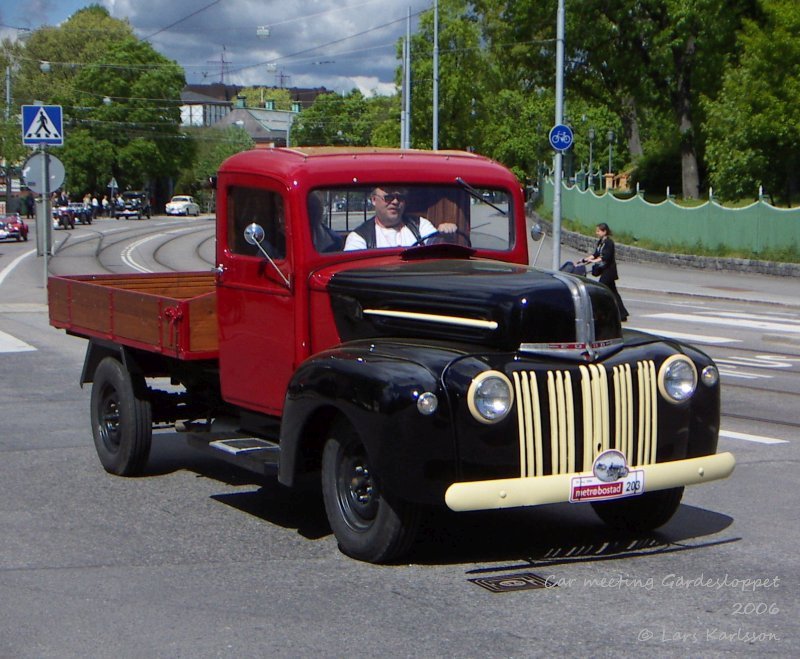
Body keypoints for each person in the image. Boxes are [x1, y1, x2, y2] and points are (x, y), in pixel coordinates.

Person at [343, 187, 457, 251]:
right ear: (373, 200)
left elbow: (435, 246)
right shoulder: (359, 238)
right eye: (388, 197)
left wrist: (445, 234)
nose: (395, 202)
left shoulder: (420, 225)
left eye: (400, 198)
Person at [583, 222, 629, 322]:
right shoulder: (600, 242)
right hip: (604, 270)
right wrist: (585, 260)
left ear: (604, 231)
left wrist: (593, 261)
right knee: (614, 293)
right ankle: (622, 314)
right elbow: (596, 254)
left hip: (609, 271)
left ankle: (598, 313)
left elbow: (605, 257)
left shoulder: (609, 243)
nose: (596, 233)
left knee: (600, 290)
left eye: (598, 231)